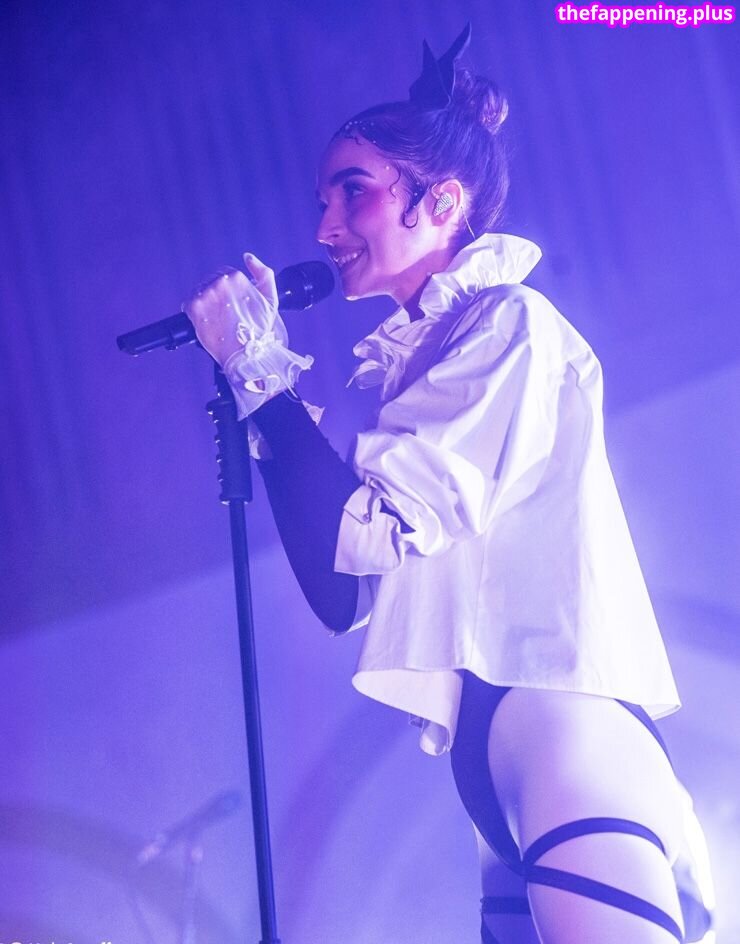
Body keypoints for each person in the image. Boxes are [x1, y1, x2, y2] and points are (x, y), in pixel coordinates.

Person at [184, 24, 689, 944]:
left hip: (563, 730)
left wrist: (261, 370)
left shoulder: (510, 325)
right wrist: (261, 389)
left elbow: (366, 531)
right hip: (498, 761)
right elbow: (340, 589)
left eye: (354, 191)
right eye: (323, 200)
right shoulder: (413, 373)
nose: (325, 228)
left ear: (442, 200)